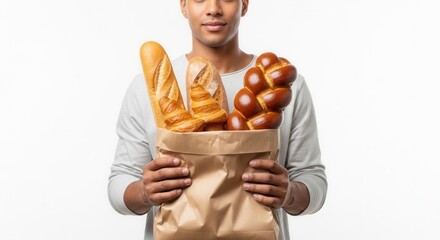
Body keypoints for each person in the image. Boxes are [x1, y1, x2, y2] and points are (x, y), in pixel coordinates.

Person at [108, 0, 327, 239]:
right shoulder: (143, 89)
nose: (214, 8)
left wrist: (290, 194)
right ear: (183, 6)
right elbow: (119, 182)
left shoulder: (285, 88)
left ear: (244, 5)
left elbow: (314, 180)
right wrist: (143, 192)